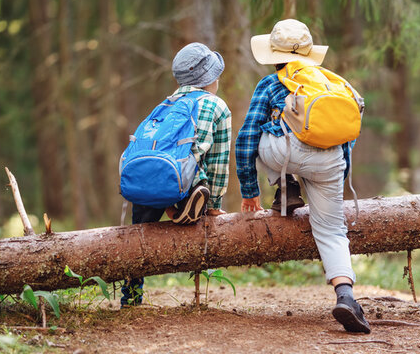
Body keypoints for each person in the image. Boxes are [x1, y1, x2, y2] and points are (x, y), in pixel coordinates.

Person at [236, 19, 370, 333]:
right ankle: (346, 296)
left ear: (273, 54)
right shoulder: (331, 82)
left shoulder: (270, 84)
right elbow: (347, 135)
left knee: (264, 135)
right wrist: (338, 175)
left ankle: (285, 185)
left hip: (283, 154)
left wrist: (249, 190)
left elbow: (246, 139)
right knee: (332, 230)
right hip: (331, 161)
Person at [121, 42, 232, 307]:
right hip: (186, 180)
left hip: (146, 180)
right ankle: (185, 202)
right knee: (196, 177)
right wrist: (215, 205)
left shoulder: (164, 104)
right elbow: (218, 161)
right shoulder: (217, 106)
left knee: (140, 234)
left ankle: (131, 297)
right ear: (210, 78)